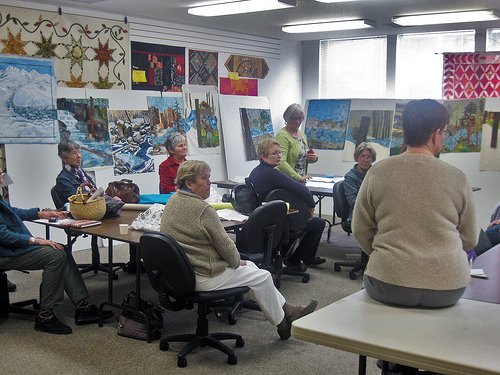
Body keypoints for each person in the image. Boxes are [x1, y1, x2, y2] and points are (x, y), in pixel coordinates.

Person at [160, 160, 317, 340]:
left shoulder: (173, 200)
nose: (209, 182)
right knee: (263, 276)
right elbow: (226, 246)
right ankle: (283, 325)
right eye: (204, 178)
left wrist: (237, 262)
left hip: (181, 273)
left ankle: (289, 309)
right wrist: (235, 261)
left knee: (250, 265)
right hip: (203, 274)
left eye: (209, 177)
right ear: (189, 183)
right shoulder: (203, 210)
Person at [353, 99, 479, 309]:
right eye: (445, 133)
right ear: (435, 134)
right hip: (448, 287)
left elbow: (359, 229)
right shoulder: (458, 177)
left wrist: (384, 254)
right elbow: (470, 238)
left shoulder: (378, 172)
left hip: (389, 282)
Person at [0, 168, 113, 334]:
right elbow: (2, 235)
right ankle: (45, 316)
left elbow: (12, 212)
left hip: (13, 246)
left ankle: (83, 307)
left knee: (62, 250)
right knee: (55, 256)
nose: (2, 176)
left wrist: (41, 213)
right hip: (5, 253)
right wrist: (35, 240)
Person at [54, 140, 139, 273]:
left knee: (133, 220)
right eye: (74, 153)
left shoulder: (80, 173)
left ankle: (135, 263)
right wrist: (111, 200)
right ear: (64, 158)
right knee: (128, 220)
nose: (79, 156)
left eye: (79, 152)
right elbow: (84, 200)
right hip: (82, 215)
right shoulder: (63, 179)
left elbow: (94, 193)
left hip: (95, 212)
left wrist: (110, 199)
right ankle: (135, 264)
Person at [249, 138, 326, 268]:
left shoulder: (255, 172)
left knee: (296, 219)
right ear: (263, 156)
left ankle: (276, 256)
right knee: (317, 223)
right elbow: (304, 190)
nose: (279, 156)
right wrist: (311, 206)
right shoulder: (273, 174)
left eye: (280, 153)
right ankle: (296, 259)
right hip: (277, 220)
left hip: (263, 219)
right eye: (275, 153)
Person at [276, 103, 318, 183]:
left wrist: (313, 158)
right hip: (289, 181)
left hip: (301, 180)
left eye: (300, 118)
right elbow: (281, 162)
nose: (298, 122)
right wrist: (298, 178)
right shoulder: (283, 136)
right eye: (295, 119)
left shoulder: (301, 134)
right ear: (288, 118)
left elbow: (302, 157)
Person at [344, 142, 377, 221]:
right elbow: (353, 202)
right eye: (363, 156)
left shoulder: (376, 174)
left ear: (372, 159)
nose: (366, 159)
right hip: (359, 214)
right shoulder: (350, 177)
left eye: (369, 157)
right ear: (357, 157)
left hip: (376, 211)